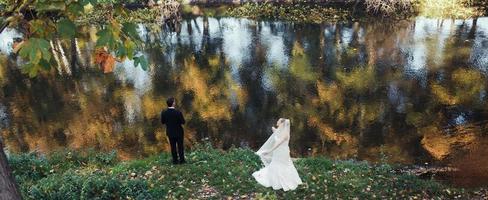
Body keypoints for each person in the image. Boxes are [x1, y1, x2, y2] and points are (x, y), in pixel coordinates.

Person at [252, 118, 302, 191]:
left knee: (282, 165)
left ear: (282, 123)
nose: (277, 121)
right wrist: (275, 129)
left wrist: (269, 150)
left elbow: (278, 144)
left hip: (282, 152)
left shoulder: (285, 134)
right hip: (277, 152)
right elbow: (275, 131)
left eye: (278, 121)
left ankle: (283, 181)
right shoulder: (279, 131)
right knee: (276, 164)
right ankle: (276, 178)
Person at [161, 97, 186, 164]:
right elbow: (183, 122)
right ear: (173, 103)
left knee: (173, 147)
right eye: (174, 102)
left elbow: (163, 122)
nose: (175, 103)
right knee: (180, 146)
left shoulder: (164, 113)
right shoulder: (178, 112)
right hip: (179, 132)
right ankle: (182, 160)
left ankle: (175, 161)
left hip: (170, 132)